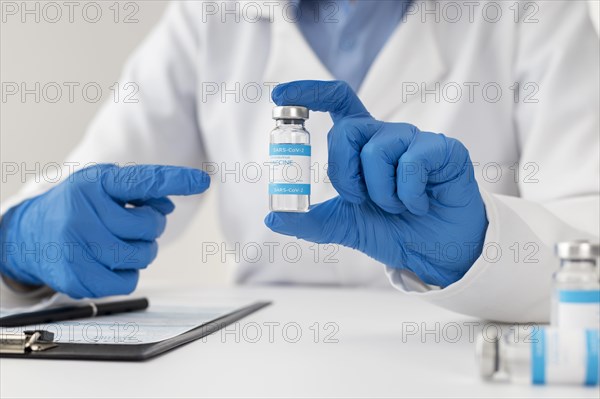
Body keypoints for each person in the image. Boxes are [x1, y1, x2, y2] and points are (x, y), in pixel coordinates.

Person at [1, 1, 598, 322]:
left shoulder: (536, 13)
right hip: (259, 353)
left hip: (462, 348)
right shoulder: (207, 17)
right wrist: (19, 242)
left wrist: (484, 249)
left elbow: (590, 237)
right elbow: (92, 183)